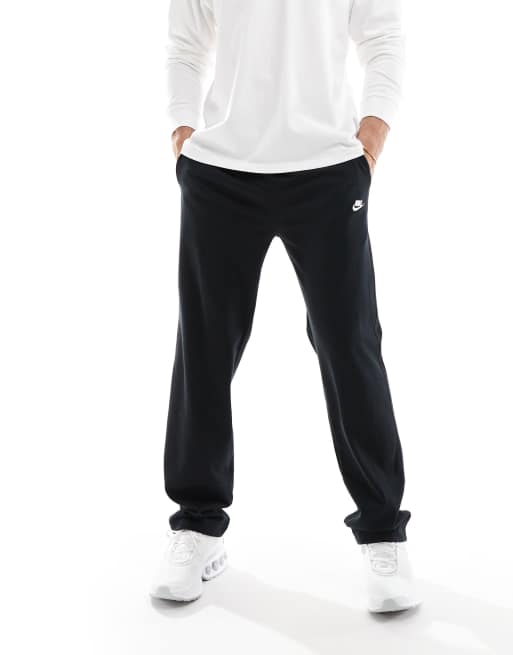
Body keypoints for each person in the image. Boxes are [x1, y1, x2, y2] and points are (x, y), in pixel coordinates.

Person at [150, 0, 421, 613]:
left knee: (350, 346)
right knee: (204, 351)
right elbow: (184, 46)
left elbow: (383, 38)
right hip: (220, 172)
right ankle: (196, 525)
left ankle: (383, 532)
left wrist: (372, 137)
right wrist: (182, 133)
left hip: (327, 169)